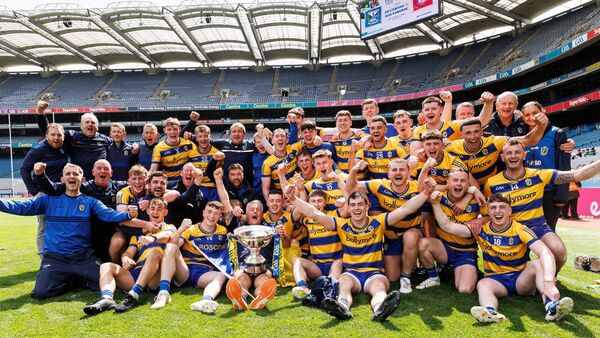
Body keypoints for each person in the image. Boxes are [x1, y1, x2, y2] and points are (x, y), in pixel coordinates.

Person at [0, 163, 155, 299]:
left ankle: (75, 276)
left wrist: (128, 214)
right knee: (41, 292)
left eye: (76, 174)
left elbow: (109, 214)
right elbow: (20, 207)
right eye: (68, 174)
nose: (72, 176)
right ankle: (71, 278)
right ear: (62, 179)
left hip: (83, 256)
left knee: (107, 283)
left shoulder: (90, 202)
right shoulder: (47, 200)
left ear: (82, 179)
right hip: (56, 257)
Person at [287, 180, 436, 321]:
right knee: (343, 283)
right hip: (351, 273)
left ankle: (380, 309)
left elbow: (406, 209)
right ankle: (342, 307)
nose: (357, 208)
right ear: (349, 208)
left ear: (367, 206)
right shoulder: (341, 224)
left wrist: (425, 193)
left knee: (379, 288)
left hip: (374, 273)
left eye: (360, 204)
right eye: (353, 205)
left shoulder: (378, 222)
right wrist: (293, 198)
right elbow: (314, 213)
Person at [429, 192, 574, 323]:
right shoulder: (480, 229)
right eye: (493, 207)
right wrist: (435, 204)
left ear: (510, 211)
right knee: (483, 284)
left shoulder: (520, 229)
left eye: (502, 207)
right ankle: (490, 312)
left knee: (537, 263)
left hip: (520, 279)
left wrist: (549, 281)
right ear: (488, 212)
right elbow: (447, 226)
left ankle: (551, 306)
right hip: (496, 280)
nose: (497, 211)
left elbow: (545, 252)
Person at [483, 139, 600, 271]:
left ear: (524, 155)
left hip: (536, 227)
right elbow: (489, 210)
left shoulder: (539, 175)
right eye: (509, 153)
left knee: (559, 252)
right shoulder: (492, 183)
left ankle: (549, 277)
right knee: (510, 271)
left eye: (517, 152)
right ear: (503, 158)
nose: (513, 156)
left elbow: (577, 175)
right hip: (509, 230)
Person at [83, 198, 176, 314]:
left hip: (155, 278)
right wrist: (125, 258)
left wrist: (153, 238)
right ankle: (106, 299)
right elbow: (128, 252)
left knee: (154, 251)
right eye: (152, 209)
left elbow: (168, 235)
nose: (155, 212)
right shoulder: (138, 235)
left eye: (159, 209)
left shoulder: (169, 227)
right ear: (147, 211)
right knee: (106, 266)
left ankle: (133, 295)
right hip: (137, 274)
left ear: (165, 213)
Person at [347, 159, 424, 293]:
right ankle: (408, 264)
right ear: (388, 174)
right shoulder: (380, 185)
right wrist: (354, 170)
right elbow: (352, 187)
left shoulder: (417, 186)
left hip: (412, 231)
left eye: (402, 170)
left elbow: (437, 191)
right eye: (394, 170)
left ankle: (406, 277)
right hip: (391, 235)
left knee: (410, 237)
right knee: (392, 277)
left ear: (409, 173)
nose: (398, 172)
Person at [34, 159, 128, 263]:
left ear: (111, 173)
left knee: (118, 242)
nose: (102, 171)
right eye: (99, 168)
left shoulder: (120, 186)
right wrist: (40, 175)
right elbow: (53, 188)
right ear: (93, 172)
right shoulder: (83, 187)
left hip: (112, 231)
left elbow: (137, 183)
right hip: (90, 234)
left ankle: (117, 265)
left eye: (106, 169)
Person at [150, 202, 228, 313]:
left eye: (216, 213)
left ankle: (205, 301)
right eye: (209, 212)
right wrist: (181, 229)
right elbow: (173, 246)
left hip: (205, 272)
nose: (211, 216)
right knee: (172, 247)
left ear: (220, 216)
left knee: (221, 276)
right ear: (203, 213)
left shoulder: (223, 231)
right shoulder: (191, 230)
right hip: (187, 270)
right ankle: (163, 292)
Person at [416, 170, 480, 293]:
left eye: (463, 181)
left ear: (468, 185)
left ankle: (470, 270)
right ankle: (433, 277)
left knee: (465, 289)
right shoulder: (439, 196)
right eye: (455, 180)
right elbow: (421, 190)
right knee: (422, 243)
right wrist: (426, 168)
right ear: (448, 183)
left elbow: (492, 215)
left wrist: (482, 220)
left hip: (466, 252)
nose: (459, 184)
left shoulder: (476, 201)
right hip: (444, 248)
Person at [446, 115, 548, 188]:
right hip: (466, 188)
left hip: (492, 187)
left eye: (476, 131)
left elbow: (529, 141)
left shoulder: (495, 142)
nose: (473, 137)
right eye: (468, 133)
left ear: (482, 131)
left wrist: (541, 126)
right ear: (461, 135)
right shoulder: (451, 147)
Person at [19, 122, 68, 258]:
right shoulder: (38, 150)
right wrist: (34, 191)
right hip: (44, 195)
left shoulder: (63, 148)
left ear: (63, 136)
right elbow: (24, 169)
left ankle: (59, 257)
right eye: (53, 135)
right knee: (44, 228)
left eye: (59, 135)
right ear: (46, 136)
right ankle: (43, 259)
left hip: (61, 193)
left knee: (61, 226)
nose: (56, 138)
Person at [522, 101, 571, 231]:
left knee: (548, 230)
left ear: (543, 112)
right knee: (526, 231)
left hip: (550, 192)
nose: (531, 117)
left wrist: (562, 195)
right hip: (527, 192)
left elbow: (564, 164)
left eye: (535, 113)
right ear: (523, 118)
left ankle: (551, 253)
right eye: (527, 115)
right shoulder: (522, 136)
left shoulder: (557, 133)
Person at [35, 101, 112, 180]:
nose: (90, 124)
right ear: (81, 126)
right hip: (78, 182)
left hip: (99, 182)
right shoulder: (73, 136)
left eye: (93, 122)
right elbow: (51, 131)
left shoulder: (106, 140)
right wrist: (40, 114)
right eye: (87, 122)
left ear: (97, 127)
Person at [289, 190, 343, 299]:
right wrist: (299, 190)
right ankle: (302, 288)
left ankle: (328, 289)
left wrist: (343, 200)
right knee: (297, 260)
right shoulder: (306, 220)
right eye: (313, 201)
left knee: (338, 262)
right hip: (317, 266)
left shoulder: (334, 216)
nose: (316, 204)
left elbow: (347, 206)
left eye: (320, 201)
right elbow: (299, 208)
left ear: (325, 202)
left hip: (334, 264)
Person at [410, 93, 493, 156]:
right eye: (427, 109)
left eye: (434, 108)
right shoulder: (418, 130)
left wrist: (488, 104)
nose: (430, 111)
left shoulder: (453, 125)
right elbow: (414, 155)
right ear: (423, 112)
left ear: (441, 110)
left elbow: (481, 121)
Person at [348, 116, 408, 180]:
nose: (376, 130)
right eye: (372, 128)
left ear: (385, 129)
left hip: (392, 184)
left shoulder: (395, 145)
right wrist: (353, 151)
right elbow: (352, 172)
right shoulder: (365, 147)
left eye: (379, 128)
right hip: (372, 186)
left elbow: (409, 167)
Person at [151, 117, 197, 182]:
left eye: (175, 129)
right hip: (169, 182)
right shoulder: (159, 147)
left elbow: (197, 163)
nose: (172, 132)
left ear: (179, 129)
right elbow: (153, 170)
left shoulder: (189, 144)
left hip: (186, 181)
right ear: (165, 130)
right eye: (169, 129)